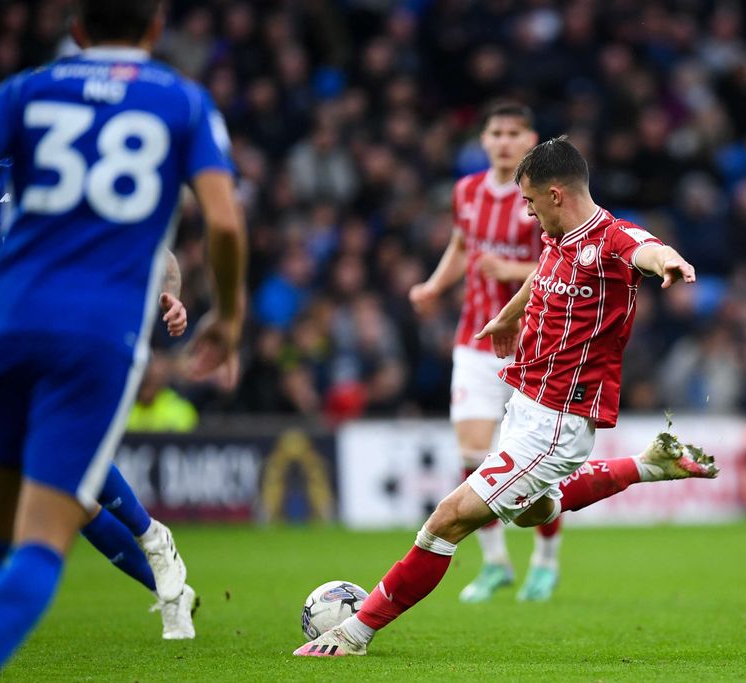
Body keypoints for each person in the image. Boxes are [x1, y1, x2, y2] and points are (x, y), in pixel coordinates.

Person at [295, 136, 717, 657]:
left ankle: (356, 631)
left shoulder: (612, 239)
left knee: (448, 518)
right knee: (531, 511)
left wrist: (670, 261)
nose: (529, 212)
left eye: (531, 201)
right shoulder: (559, 236)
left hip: (558, 420)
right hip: (525, 404)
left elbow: (648, 250)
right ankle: (649, 465)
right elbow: (541, 275)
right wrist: (508, 316)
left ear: (557, 194)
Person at [0, 0, 245, 679]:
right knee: (47, 527)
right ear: (158, 29)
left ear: (75, 30)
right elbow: (222, 221)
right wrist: (232, 315)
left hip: (8, 328)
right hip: (98, 337)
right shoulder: (181, 104)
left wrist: (173, 288)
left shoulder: (25, 93)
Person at [0, 158, 198, 641]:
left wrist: (170, 295)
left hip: (78, 335)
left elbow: (159, 253)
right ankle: (166, 580)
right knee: (73, 495)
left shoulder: (86, 173)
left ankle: (153, 540)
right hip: (10, 341)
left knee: (65, 483)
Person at [410, 102, 562, 602]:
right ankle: (495, 561)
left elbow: (564, 257)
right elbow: (460, 246)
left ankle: (545, 559)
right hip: (475, 338)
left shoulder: (544, 194)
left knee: (530, 461)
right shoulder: (467, 191)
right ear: (483, 140)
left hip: (534, 340)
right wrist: (434, 286)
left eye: (513, 133)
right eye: (495, 132)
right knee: (475, 456)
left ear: (530, 139)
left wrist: (514, 273)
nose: (503, 141)